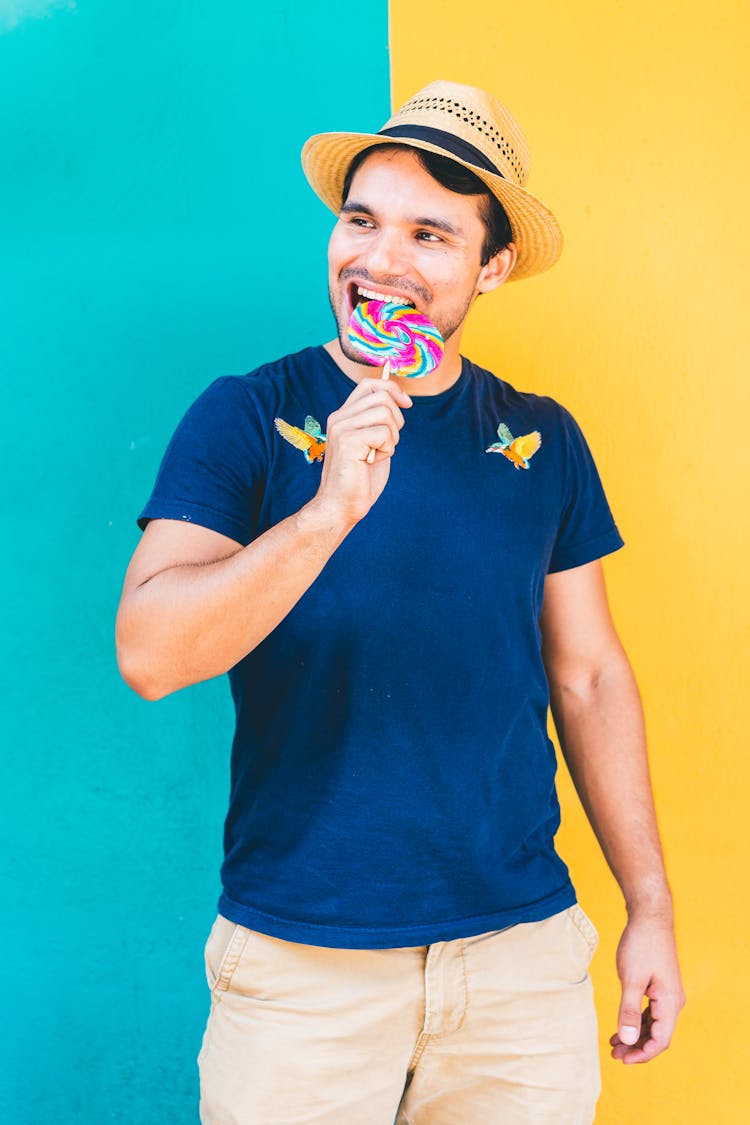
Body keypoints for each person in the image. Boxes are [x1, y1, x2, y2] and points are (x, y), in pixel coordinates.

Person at [116, 80, 685, 1124]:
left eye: (430, 234)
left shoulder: (542, 438)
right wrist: (326, 512)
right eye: (362, 220)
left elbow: (590, 673)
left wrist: (649, 907)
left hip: (519, 966)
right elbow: (151, 653)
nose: (379, 262)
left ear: (492, 265)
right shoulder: (249, 415)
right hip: (301, 970)